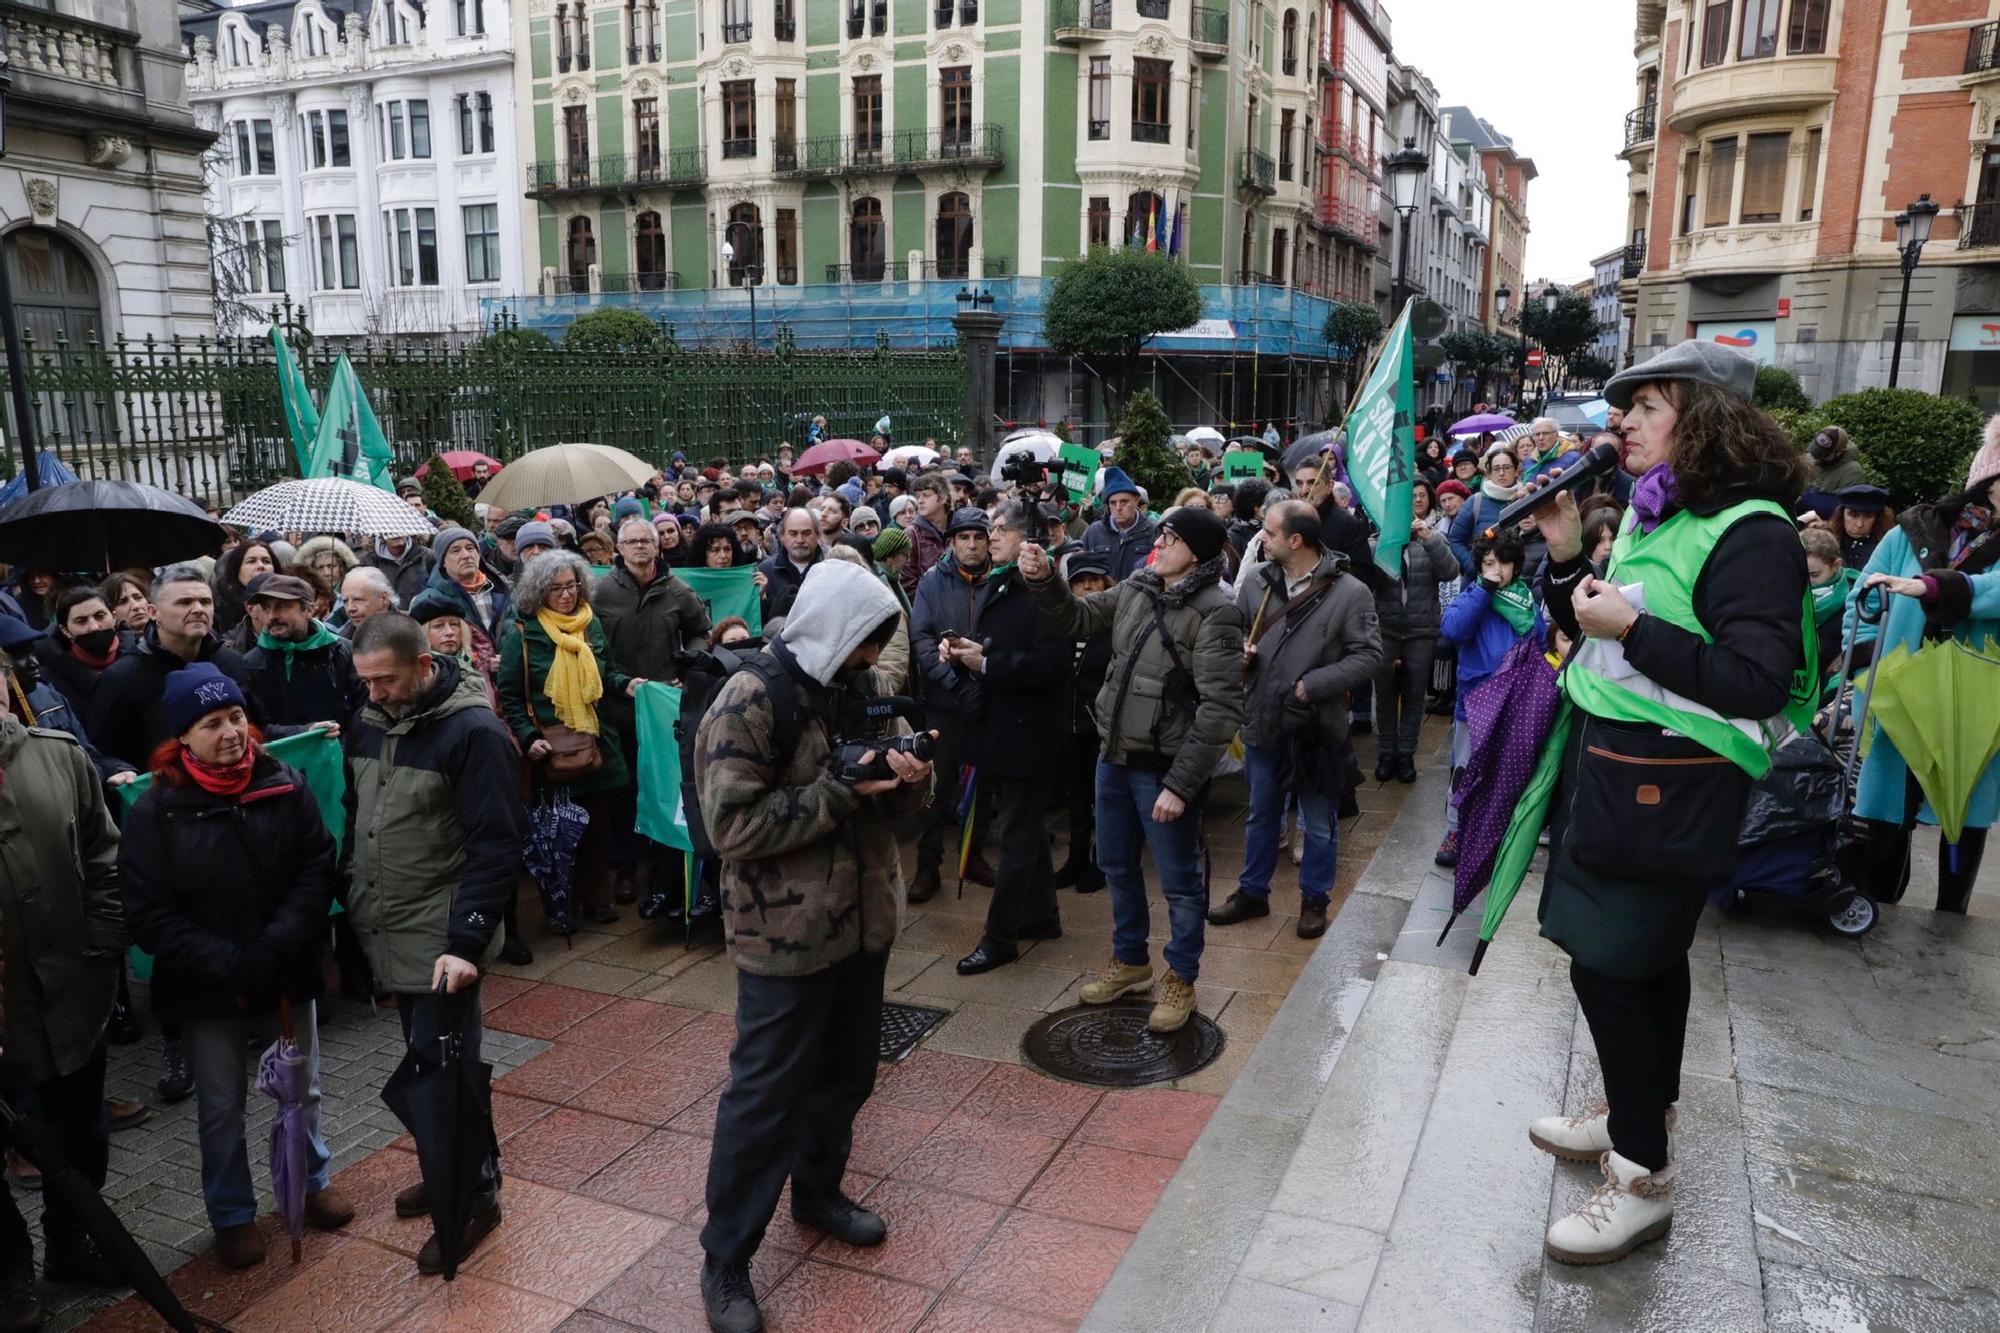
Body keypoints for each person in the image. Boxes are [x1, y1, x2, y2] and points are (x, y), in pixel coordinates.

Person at [1524, 341, 1815, 1264]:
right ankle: (1637, 1104)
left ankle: (1641, 1173)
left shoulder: (1753, 532)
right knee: (1647, 959)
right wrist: (1567, 561)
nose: (1624, 423)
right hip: (1619, 767)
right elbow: (1601, 637)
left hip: (1672, 785)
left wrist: (1635, 625)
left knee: (1609, 967)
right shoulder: (1665, 510)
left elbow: (1759, 679)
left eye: (1647, 406)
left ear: (1706, 420)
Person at [692, 561, 933, 1333]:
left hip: (863, 924)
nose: (872, 656)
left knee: (845, 1076)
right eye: (865, 639)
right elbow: (730, 826)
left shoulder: (862, 687)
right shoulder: (750, 698)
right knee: (764, 1099)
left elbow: (899, 811)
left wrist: (908, 777)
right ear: (833, 627)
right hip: (784, 935)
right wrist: (840, 790)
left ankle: (819, 1191)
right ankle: (726, 1257)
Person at [117, 664, 352, 1269]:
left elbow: (315, 867)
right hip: (206, 986)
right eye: (212, 723)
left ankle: (311, 1180)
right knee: (221, 1106)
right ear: (182, 737)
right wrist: (228, 960)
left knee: (301, 1088)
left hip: (285, 967)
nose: (230, 732)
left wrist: (274, 945)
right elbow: (148, 913)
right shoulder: (157, 811)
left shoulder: (284, 782)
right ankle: (231, 1212)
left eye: (237, 717)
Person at [346, 612, 528, 1274]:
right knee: (428, 1063)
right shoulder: (370, 720)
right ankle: (451, 1161)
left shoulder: (474, 732)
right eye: (365, 682)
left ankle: (472, 1194)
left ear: (425, 665)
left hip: (442, 936)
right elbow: (359, 817)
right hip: (389, 925)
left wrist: (467, 942)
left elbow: (497, 842)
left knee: (444, 1068)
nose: (374, 694)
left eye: (385, 680)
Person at [1019, 505, 1245, 1033]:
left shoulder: (1217, 611)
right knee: (1116, 864)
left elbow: (1220, 709)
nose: (1158, 544)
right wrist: (1045, 579)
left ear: (1196, 553)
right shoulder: (1138, 587)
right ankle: (1130, 960)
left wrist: (1181, 785)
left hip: (1163, 768)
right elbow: (1078, 617)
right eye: (1160, 535)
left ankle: (1181, 976)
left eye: (1170, 537)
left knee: (1179, 881)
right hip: (1113, 756)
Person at [0, 706, 127, 1321]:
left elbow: (104, 854)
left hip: (71, 997)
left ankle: (70, 1242)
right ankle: (8, 1270)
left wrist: (103, 941)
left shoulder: (58, 755)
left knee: (81, 1133)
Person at [1843, 419, 2000, 912]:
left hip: (1975, 701)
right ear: (1987, 478)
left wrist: (1939, 587)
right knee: (1886, 806)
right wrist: (1867, 666)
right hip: (1898, 691)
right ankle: (1873, 907)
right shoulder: (1912, 530)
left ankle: (1950, 918)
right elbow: (1862, 601)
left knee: (1962, 808)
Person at [1209, 501, 1381, 939]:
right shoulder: (1256, 581)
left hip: (1316, 726)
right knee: (1261, 813)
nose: (1261, 539)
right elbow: (1235, 634)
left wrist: (1312, 684)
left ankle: (1314, 900)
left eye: (1269, 533)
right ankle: (1252, 892)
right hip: (1263, 718)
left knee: (1318, 821)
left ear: (1296, 540)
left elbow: (1368, 656)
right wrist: (1239, 654)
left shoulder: (1350, 592)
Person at [945, 500, 1071, 976]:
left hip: (1028, 734)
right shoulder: (1002, 582)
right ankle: (1042, 915)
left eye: (1000, 529)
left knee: (1015, 841)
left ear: (1026, 538)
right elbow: (1001, 643)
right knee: (1025, 828)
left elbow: (1052, 664)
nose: (990, 536)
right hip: (1000, 727)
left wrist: (988, 662)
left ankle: (998, 939)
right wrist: (968, 652)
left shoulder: (1045, 591)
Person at [497, 552, 646, 925]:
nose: (566, 595)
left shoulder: (589, 624)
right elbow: (510, 694)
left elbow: (606, 672)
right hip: (553, 750)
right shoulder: (523, 634)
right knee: (559, 832)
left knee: (598, 830)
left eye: (571, 586)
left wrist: (625, 684)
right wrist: (529, 737)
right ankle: (563, 903)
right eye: (556, 588)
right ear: (539, 591)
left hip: (595, 741)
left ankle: (598, 899)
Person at [596, 518, 711, 906]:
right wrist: (618, 682)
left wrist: (687, 667)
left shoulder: (677, 589)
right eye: (632, 541)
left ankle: (663, 871)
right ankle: (625, 869)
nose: (640, 547)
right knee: (623, 791)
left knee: (664, 788)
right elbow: (590, 648)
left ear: (658, 546)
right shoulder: (601, 592)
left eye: (646, 540)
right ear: (619, 548)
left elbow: (700, 630)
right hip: (618, 708)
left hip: (664, 712)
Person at [908, 508, 1004, 900]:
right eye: (964, 537)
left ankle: (972, 854)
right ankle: (927, 863)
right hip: (945, 701)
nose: (972, 545)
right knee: (938, 782)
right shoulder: (933, 580)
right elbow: (921, 639)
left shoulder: (1001, 580)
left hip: (988, 697)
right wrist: (953, 682)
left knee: (982, 782)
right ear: (952, 542)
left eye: (978, 537)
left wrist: (985, 675)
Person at [1432, 533, 1542, 868]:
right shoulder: (1472, 595)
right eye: (1489, 563)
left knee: (1504, 774)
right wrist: (1484, 592)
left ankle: (1495, 836)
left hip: (1513, 702)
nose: (1497, 570)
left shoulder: (1525, 602)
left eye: (1504, 563)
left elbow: (1540, 642)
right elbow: (1453, 629)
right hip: (1475, 702)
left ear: (1516, 567)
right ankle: (1455, 831)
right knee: (1464, 770)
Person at [89, 566, 260, 773]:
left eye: (205, 602)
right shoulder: (123, 677)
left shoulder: (231, 663)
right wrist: (119, 770)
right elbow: (101, 752)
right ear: (153, 612)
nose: (198, 609)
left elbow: (259, 726)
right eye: (184, 602)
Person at [1370, 481, 1458, 783]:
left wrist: (1429, 539)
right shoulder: (1377, 541)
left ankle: (1406, 753)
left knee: (1414, 693)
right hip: (1386, 629)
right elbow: (1369, 581)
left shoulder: (1433, 537)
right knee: (1384, 694)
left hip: (1421, 630)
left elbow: (1450, 571)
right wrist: (1385, 544)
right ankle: (1386, 752)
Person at [1054, 550, 1114, 894]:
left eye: (1093, 580)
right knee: (1075, 794)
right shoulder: (1063, 623)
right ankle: (1076, 856)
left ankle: (1100, 859)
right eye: (1080, 582)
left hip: (1099, 725)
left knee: (1100, 796)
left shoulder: (1114, 624)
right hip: (1068, 722)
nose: (1088, 587)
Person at [240, 575, 363, 730]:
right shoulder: (252, 665)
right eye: (266, 608)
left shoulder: (343, 652)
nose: (272, 616)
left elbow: (364, 709)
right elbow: (258, 728)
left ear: (309, 610)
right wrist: (305, 733)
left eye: (281, 607)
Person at [35, 586, 134, 717]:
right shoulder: (50, 679)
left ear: (113, 617)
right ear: (65, 630)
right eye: (81, 621)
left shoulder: (142, 659)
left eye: (100, 616)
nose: (94, 627)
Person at [424, 525, 511, 652]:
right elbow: (430, 650)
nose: (466, 555)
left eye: (470, 548)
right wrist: (478, 660)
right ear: (443, 562)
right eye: (455, 550)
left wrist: (507, 658)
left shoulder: (504, 590)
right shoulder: (430, 600)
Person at [1446, 446, 1528, 577]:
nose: (1501, 473)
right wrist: (1474, 567)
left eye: (1507, 468)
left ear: (1516, 471)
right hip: (1480, 581)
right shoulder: (1475, 501)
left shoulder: (1527, 499)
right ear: (1489, 473)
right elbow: (1455, 539)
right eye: (1496, 469)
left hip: (1518, 581)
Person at [1799, 529, 1856, 691]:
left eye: (1814, 575)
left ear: (1836, 565)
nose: (1806, 581)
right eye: (1800, 573)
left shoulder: (1857, 597)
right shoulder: (1780, 594)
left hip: (1833, 687)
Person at [1081, 468, 1159, 581]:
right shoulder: (1094, 531)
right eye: (1113, 503)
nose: (1118, 508)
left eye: (1124, 502)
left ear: (1136, 500)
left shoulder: (1153, 531)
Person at [758, 508, 823, 624]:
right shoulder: (765, 571)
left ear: (817, 535)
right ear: (782, 536)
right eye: (793, 534)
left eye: (806, 533)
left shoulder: (829, 568)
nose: (800, 540)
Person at [212, 539, 278, 637]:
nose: (261, 566)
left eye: (266, 561)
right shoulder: (218, 608)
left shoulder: (290, 599)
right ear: (237, 569)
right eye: (251, 561)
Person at [903, 473, 952, 597]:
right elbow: (908, 584)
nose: (920, 501)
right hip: (928, 604)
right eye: (918, 496)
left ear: (943, 498)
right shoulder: (911, 534)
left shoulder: (958, 530)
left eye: (926, 495)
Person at [1828, 484, 1893, 570]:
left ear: (1878, 518)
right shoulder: (1827, 541)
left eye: (1868, 516)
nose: (1859, 524)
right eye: (1853, 515)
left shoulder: (1889, 547)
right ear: (1841, 514)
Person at [1802, 425, 1867, 503]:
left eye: (1824, 454)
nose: (1817, 457)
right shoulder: (1812, 457)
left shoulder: (1853, 473)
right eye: (1815, 449)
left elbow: (1843, 505)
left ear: (1839, 452)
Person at [339, 566, 398, 631]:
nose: (350, 608)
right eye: (345, 601)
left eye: (357, 599)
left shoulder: (405, 630)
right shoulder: (343, 635)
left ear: (384, 598)